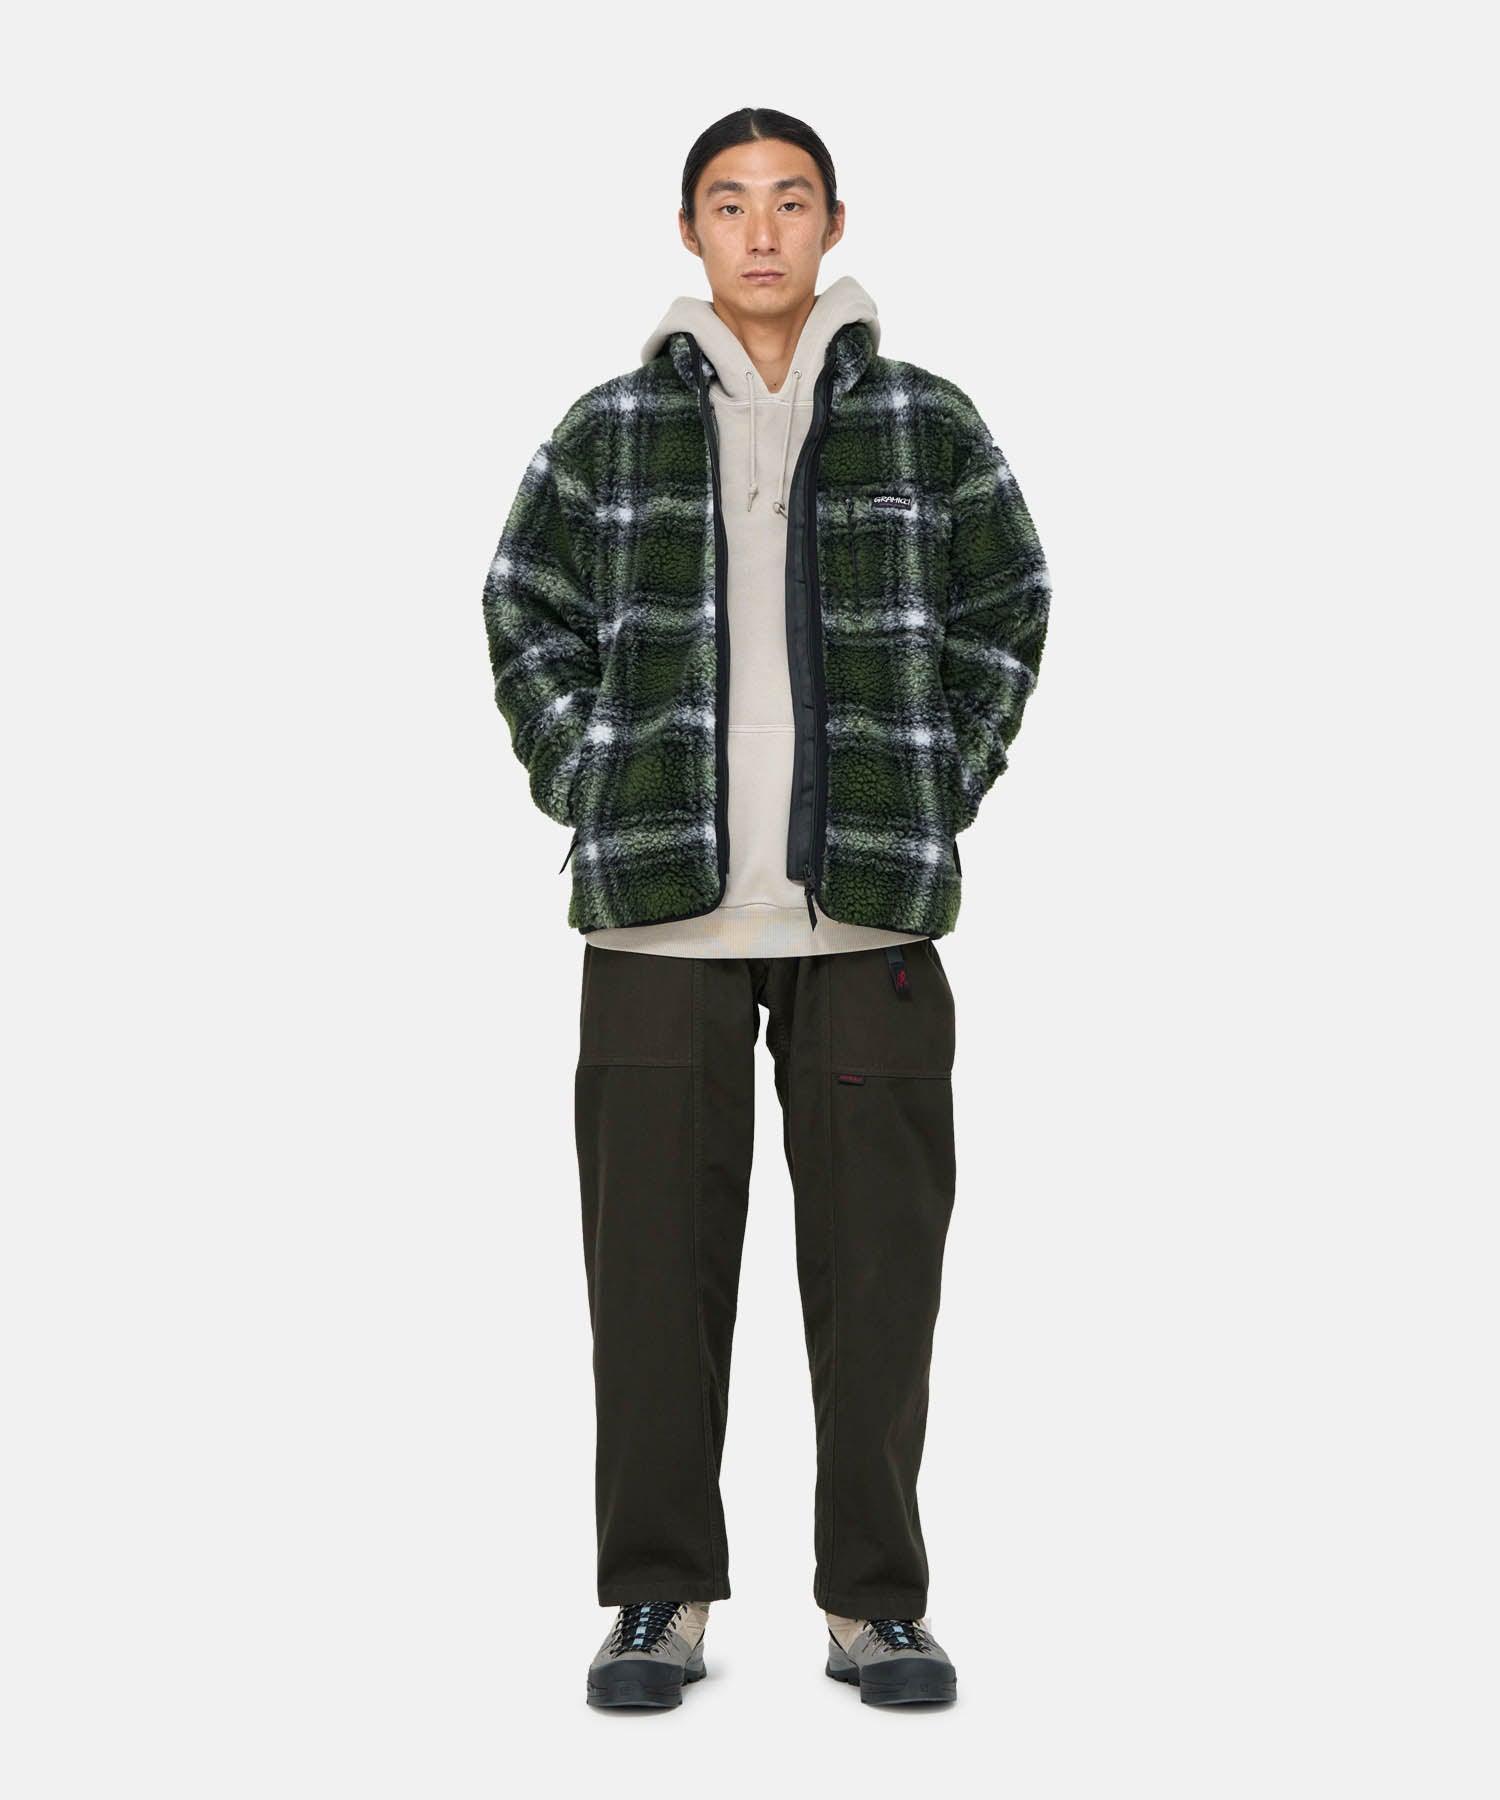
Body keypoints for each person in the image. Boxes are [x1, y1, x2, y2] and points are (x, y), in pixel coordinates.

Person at [480, 106, 1051, 1709]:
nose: (761, 231)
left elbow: (1011, 600)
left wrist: (938, 779)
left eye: (790, 201)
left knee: (881, 1276)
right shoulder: (609, 428)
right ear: (691, 231)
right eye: (729, 203)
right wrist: (590, 773)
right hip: (657, 916)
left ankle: (876, 1606)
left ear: (833, 223)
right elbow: (522, 605)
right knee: (650, 1282)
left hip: (867, 913)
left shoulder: (926, 421)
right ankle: (657, 1596)